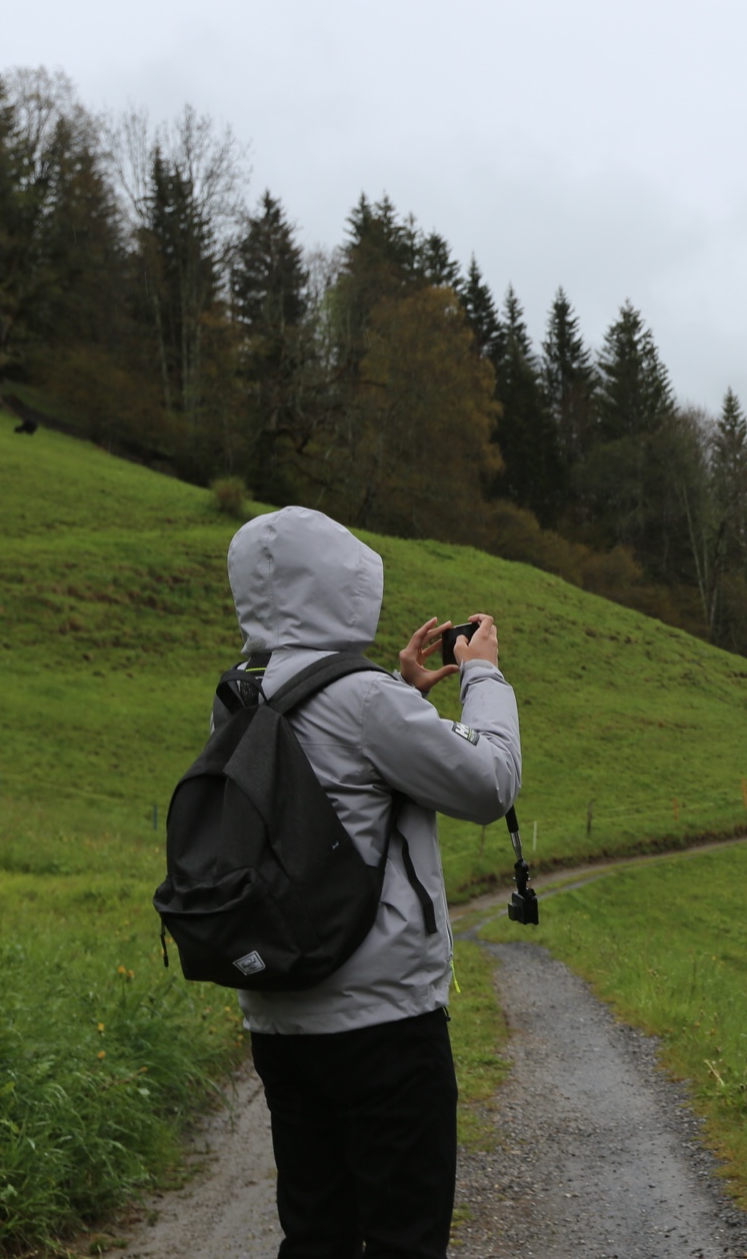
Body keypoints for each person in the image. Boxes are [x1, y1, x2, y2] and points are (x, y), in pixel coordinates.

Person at [222, 506, 522, 1259]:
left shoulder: (241, 693)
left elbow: (334, 776)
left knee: (316, 1233)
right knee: (403, 1237)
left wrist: (404, 692)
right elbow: (490, 783)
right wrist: (481, 674)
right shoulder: (362, 699)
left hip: (281, 1014)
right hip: (385, 1024)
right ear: (345, 586)